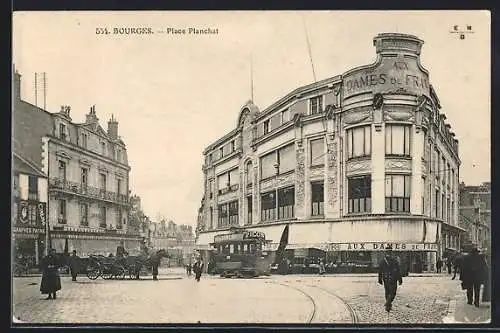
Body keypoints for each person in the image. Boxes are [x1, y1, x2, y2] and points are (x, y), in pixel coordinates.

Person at [378, 245, 403, 312]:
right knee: (393, 293)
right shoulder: (394, 261)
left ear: (385, 252)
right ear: (391, 252)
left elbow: (380, 271)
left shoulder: (382, 261)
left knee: (387, 292)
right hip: (393, 279)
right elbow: (398, 271)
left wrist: (380, 279)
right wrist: (400, 279)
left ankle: (388, 305)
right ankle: (388, 303)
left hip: (385, 279)